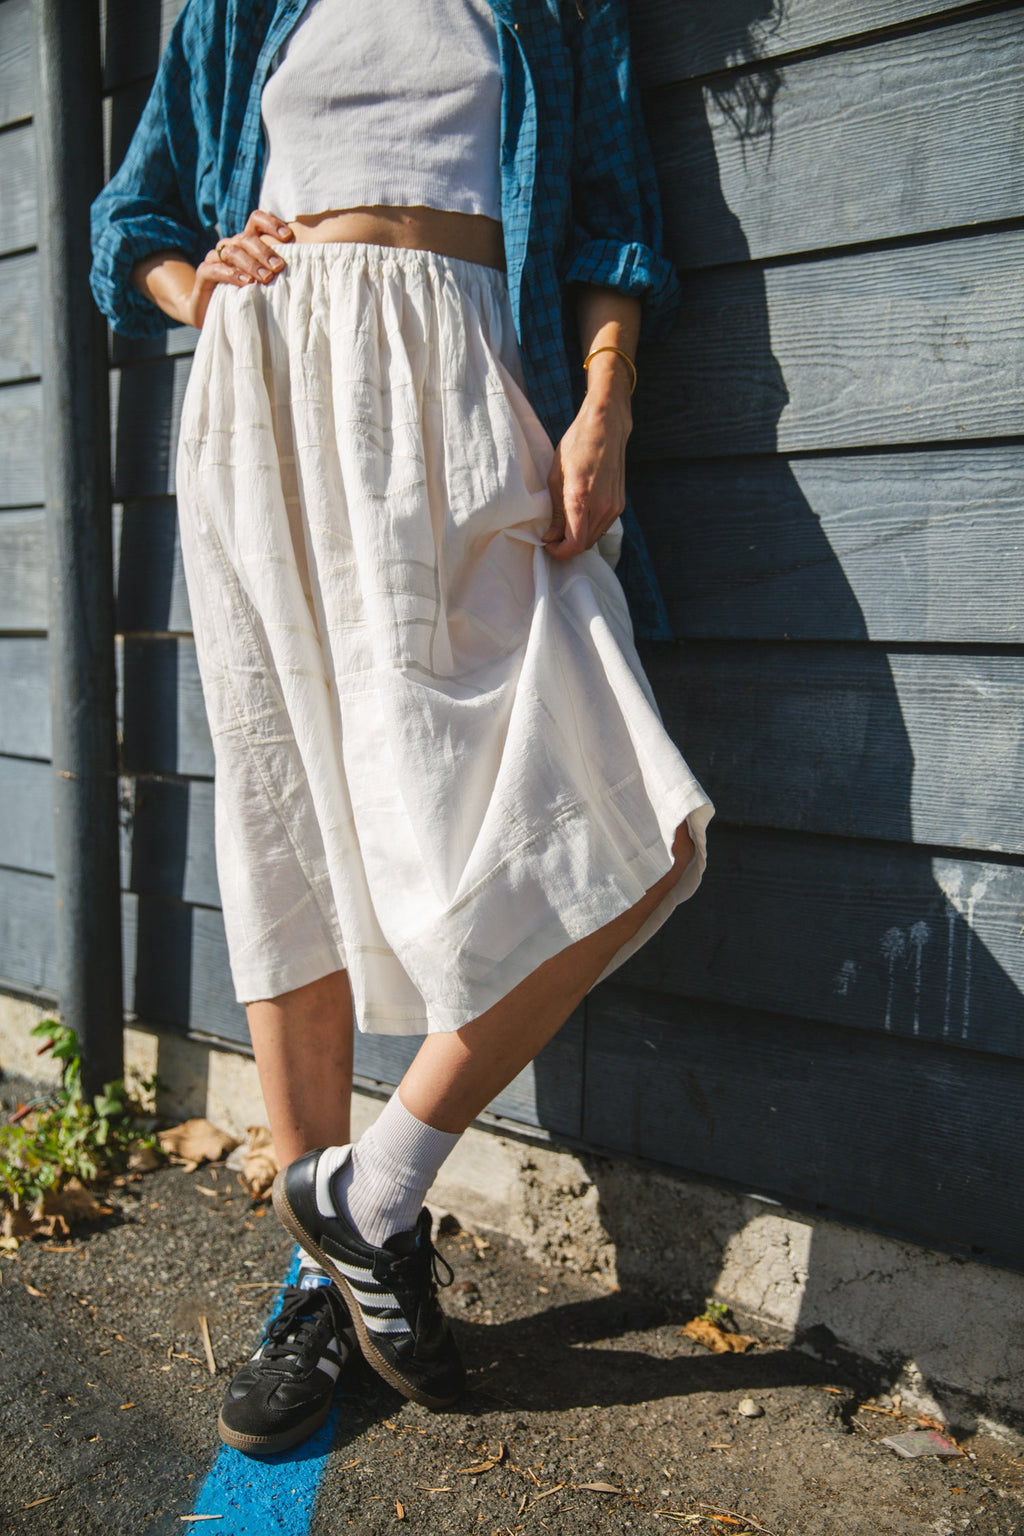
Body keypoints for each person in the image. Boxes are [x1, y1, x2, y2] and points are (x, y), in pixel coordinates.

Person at [90, 0, 714, 1458]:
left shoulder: (556, 11)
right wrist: (203, 290)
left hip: (465, 393)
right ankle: (328, 1284)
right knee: (289, 806)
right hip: (268, 402)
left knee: (636, 821)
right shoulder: (241, 7)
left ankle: (367, 1193)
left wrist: (603, 410)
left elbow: (613, 234)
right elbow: (136, 216)